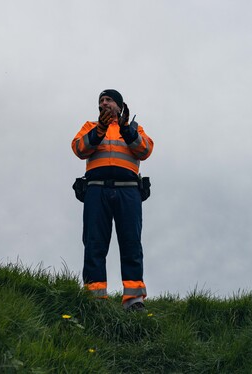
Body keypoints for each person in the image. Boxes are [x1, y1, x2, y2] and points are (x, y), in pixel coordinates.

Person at [72, 89, 154, 312]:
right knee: (94, 243)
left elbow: (145, 150)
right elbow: (79, 149)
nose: (104, 103)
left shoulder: (135, 128)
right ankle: (95, 299)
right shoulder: (90, 126)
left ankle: (134, 300)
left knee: (131, 244)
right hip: (96, 190)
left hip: (128, 192)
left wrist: (127, 129)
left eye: (108, 100)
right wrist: (100, 129)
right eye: (101, 101)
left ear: (119, 105)